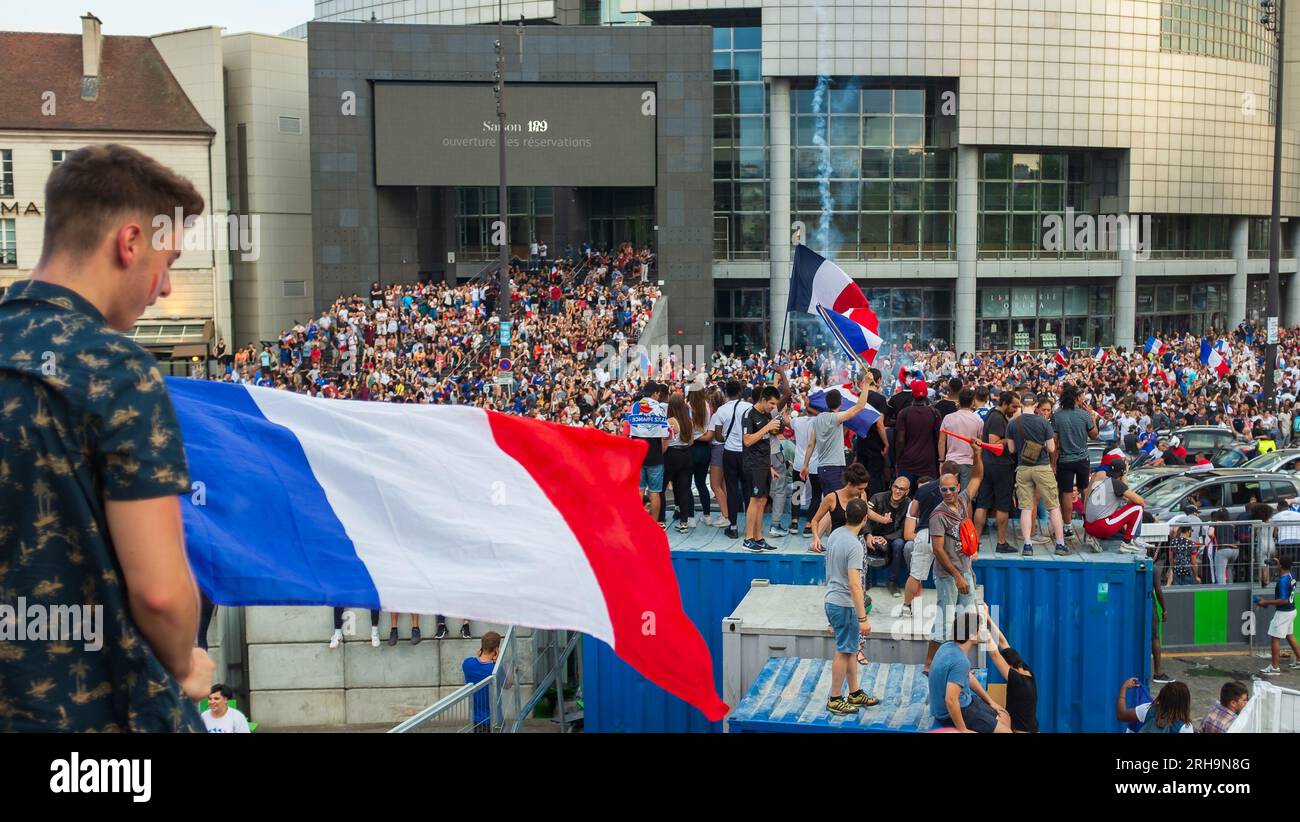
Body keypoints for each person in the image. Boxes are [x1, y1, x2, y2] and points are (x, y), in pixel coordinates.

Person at [0, 144, 214, 731]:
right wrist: (186, 662)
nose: (165, 287)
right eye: (165, 262)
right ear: (129, 243)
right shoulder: (116, 370)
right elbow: (161, 594)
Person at [925, 438, 984, 672]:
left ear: (957, 487)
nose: (949, 492)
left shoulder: (961, 501)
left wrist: (977, 454)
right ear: (940, 491)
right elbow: (937, 549)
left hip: (964, 569)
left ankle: (960, 660)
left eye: (952, 488)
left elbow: (978, 477)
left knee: (968, 617)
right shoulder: (937, 515)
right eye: (944, 490)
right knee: (944, 618)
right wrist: (957, 576)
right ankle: (929, 663)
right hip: (948, 575)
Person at [823, 499, 880, 715]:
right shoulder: (855, 545)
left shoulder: (836, 533)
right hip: (844, 604)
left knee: (850, 649)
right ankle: (835, 697)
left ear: (846, 515)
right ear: (865, 519)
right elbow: (855, 584)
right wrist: (863, 618)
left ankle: (854, 692)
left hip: (832, 599)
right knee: (844, 651)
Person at [1005, 391, 1068, 556]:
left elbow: (1011, 449)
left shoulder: (1012, 423)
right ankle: (1060, 544)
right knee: (1053, 506)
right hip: (1042, 467)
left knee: (1026, 507)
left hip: (1023, 468)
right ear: (1035, 405)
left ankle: (1027, 545)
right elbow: (1052, 448)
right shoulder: (1043, 422)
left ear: (1021, 405)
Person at [928, 608, 1011, 733]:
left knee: (1005, 716)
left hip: (963, 702)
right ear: (972, 635)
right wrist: (963, 730)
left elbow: (966, 676)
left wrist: (990, 701)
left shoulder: (947, 646)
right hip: (951, 712)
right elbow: (950, 700)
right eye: (979, 629)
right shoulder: (960, 661)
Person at [802, 376, 870, 495]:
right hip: (833, 468)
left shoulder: (817, 419)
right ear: (841, 402)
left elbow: (811, 444)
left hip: (822, 468)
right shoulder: (836, 418)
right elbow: (860, 407)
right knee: (837, 504)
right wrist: (867, 384)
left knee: (829, 502)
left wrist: (805, 465)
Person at [979, 604, 1037, 732]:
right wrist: (988, 619)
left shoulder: (1017, 680)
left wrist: (981, 625)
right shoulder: (1026, 670)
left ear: (1010, 666)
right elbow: (1003, 643)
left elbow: (994, 654)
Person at [1052, 386, 1099, 542]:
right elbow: (1094, 435)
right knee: (1084, 490)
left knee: (1065, 493)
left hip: (1065, 460)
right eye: (1081, 396)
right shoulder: (1084, 415)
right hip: (1082, 458)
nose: (1083, 398)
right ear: (1076, 398)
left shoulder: (1057, 416)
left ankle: (1067, 526)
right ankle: (1088, 522)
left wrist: (1053, 464)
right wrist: (1091, 415)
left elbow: (1054, 442)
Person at [976, 391, 1021, 555]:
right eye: (1014, 406)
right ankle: (1001, 542)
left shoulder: (992, 415)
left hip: (988, 464)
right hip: (1000, 465)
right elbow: (993, 443)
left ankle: (975, 541)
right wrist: (1010, 436)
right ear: (1005, 403)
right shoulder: (997, 418)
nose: (1015, 409)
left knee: (983, 503)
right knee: (1002, 505)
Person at [742, 386, 786, 551]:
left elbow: (766, 442)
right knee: (754, 500)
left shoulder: (767, 415)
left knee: (762, 501)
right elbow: (747, 441)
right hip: (752, 464)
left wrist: (769, 466)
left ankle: (759, 538)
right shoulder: (749, 414)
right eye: (772, 404)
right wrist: (767, 428)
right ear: (763, 400)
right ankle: (748, 539)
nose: (773, 407)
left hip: (763, 464)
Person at [711, 379, 752, 540]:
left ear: (726, 393)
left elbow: (718, 436)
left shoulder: (721, 410)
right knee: (748, 490)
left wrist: (727, 437)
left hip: (729, 453)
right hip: (747, 452)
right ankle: (750, 526)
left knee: (732, 489)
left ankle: (733, 526)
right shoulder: (749, 408)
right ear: (741, 392)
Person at [1082, 458, 1150, 553]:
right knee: (1138, 508)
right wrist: (1125, 474)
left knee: (1111, 512)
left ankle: (1095, 538)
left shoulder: (1102, 482)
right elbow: (1141, 501)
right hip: (1102, 527)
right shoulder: (1116, 484)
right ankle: (1127, 542)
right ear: (1123, 473)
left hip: (1088, 527)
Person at [629, 381, 670, 528]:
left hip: (637, 453)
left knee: (639, 489)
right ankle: (654, 523)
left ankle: (638, 521)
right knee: (655, 491)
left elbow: (627, 430)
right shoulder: (659, 408)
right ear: (654, 393)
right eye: (658, 393)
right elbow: (665, 433)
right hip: (654, 453)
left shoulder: (633, 406)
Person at [809, 463, 872, 553]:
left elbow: (868, 513)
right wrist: (816, 538)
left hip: (857, 543)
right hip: (837, 542)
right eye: (860, 488)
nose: (862, 491)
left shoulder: (862, 495)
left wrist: (884, 520)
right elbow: (815, 520)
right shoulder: (831, 498)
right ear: (850, 484)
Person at [866, 476, 911, 597]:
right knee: (859, 540)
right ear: (891, 486)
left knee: (899, 544)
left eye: (902, 489)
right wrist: (868, 535)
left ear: (907, 491)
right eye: (895, 487)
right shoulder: (877, 498)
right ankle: (865, 579)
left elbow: (905, 529)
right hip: (873, 535)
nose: (897, 491)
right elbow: (865, 519)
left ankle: (892, 582)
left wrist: (887, 538)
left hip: (893, 537)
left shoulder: (909, 504)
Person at [1255, 556, 1300, 676]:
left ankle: (1275, 668)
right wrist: (1278, 561)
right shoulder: (1292, 575)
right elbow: (1285, 565)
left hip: (1283, 613)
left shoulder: (1282, 581)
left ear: (1280, 566)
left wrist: (1266, 602)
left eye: (1278, 563)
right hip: (1292, 611)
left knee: (1275, 638)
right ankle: (1299, 660)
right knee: (1290, 636)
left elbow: (1283, 600)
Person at [895, 379, 941, 485]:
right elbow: (939, 438)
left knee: (904, 494)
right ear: (926, 395)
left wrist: (898, 459)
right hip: (928, 463)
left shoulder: (904, 413)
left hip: (907, 462)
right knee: (927, 497)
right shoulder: (935, 413)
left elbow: (900, 440)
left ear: (912, 394)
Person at [938, 387, 983, 488]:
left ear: (959, 400)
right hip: (969, 462)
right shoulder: (978, 420)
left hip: (950, 462)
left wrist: (941, 461)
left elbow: (941, 441)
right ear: (972, 402)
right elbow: (980, 443)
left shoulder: (948, 418)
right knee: (965, 498)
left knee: (948, 496)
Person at [1116, 678, 1194, 733]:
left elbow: (1121, 714)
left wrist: (1123, 688)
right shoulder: (1185, 727)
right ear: (1184, 704)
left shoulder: (1148, 709)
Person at [463, 630, 503, 733]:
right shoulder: (495, 669)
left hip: (475, 719)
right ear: (497, 650)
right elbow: (508, 684)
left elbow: (477, 662)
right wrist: (497, 661)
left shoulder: (467, 663)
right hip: (493, 719)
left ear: (482, 647)